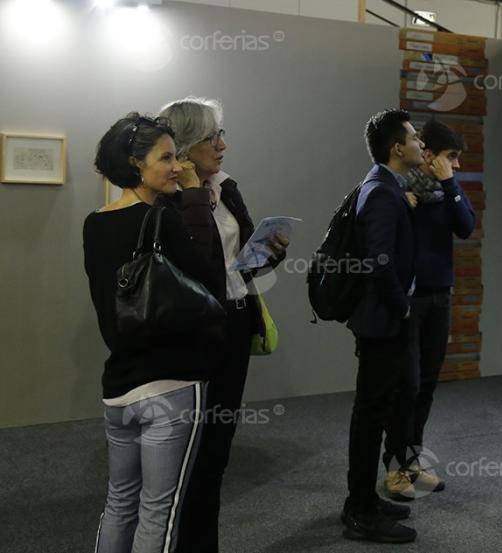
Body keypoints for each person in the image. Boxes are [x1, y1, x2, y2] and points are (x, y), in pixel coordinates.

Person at [155, 97, 288, 553]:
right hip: (193, 329)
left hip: (234, 319)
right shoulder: (165, 200)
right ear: (186, 145)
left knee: (216, 447)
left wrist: (270, 251)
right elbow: (199, 265)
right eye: (213, 137)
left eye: (221, 135)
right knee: (186, 449)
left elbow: (237, 262)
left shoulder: (226, 187)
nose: (223, 145)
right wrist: (193, 193)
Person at [84, 113, 214, 553]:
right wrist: (195, 199)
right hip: (170, 383)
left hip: (119, 388)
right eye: (167, 158)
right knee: (160, 511)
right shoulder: (163, 221)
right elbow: (208, 282)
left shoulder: (94, 223)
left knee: (119, 503)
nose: (178, 166)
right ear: (136, 164)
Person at [341, 109, 423, 544]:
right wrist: (402, 307)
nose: (420, 144)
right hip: (381, 321)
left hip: (383, 318)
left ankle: (364, 501)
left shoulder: (384, 186)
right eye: (414, 138)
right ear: (396, 148)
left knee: (375, 411)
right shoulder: (381, 193)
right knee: (370, 416)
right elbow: (378, 260)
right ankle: (360, 510)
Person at [382, 120, 475, 500]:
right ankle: (395, 470)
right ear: (430, 155)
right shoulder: (398, 191)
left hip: (440, 298)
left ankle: (411, 463)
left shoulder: (448, 190)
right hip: (409, 301)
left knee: (426, 386)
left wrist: (450, 184)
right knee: (406, 386)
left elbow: (466, 226)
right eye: (451, 157)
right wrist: (403, 205)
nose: (457, 165)